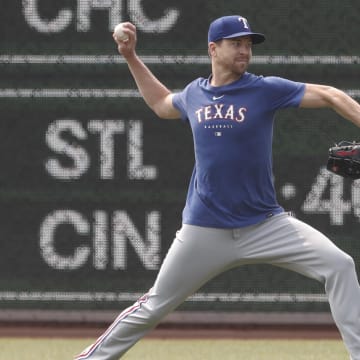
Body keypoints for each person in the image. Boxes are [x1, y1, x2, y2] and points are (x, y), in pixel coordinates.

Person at [75, 15, 360, 360]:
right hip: (204, 228)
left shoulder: (263, 89)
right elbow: (161, 104)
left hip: (265, 224)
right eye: (236, 43)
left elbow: (329, 94)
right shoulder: (195, 94)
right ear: (213, 48)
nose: (245, 50)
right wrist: (131, 56)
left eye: (248, 45)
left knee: (340, 265)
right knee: (153, 305)